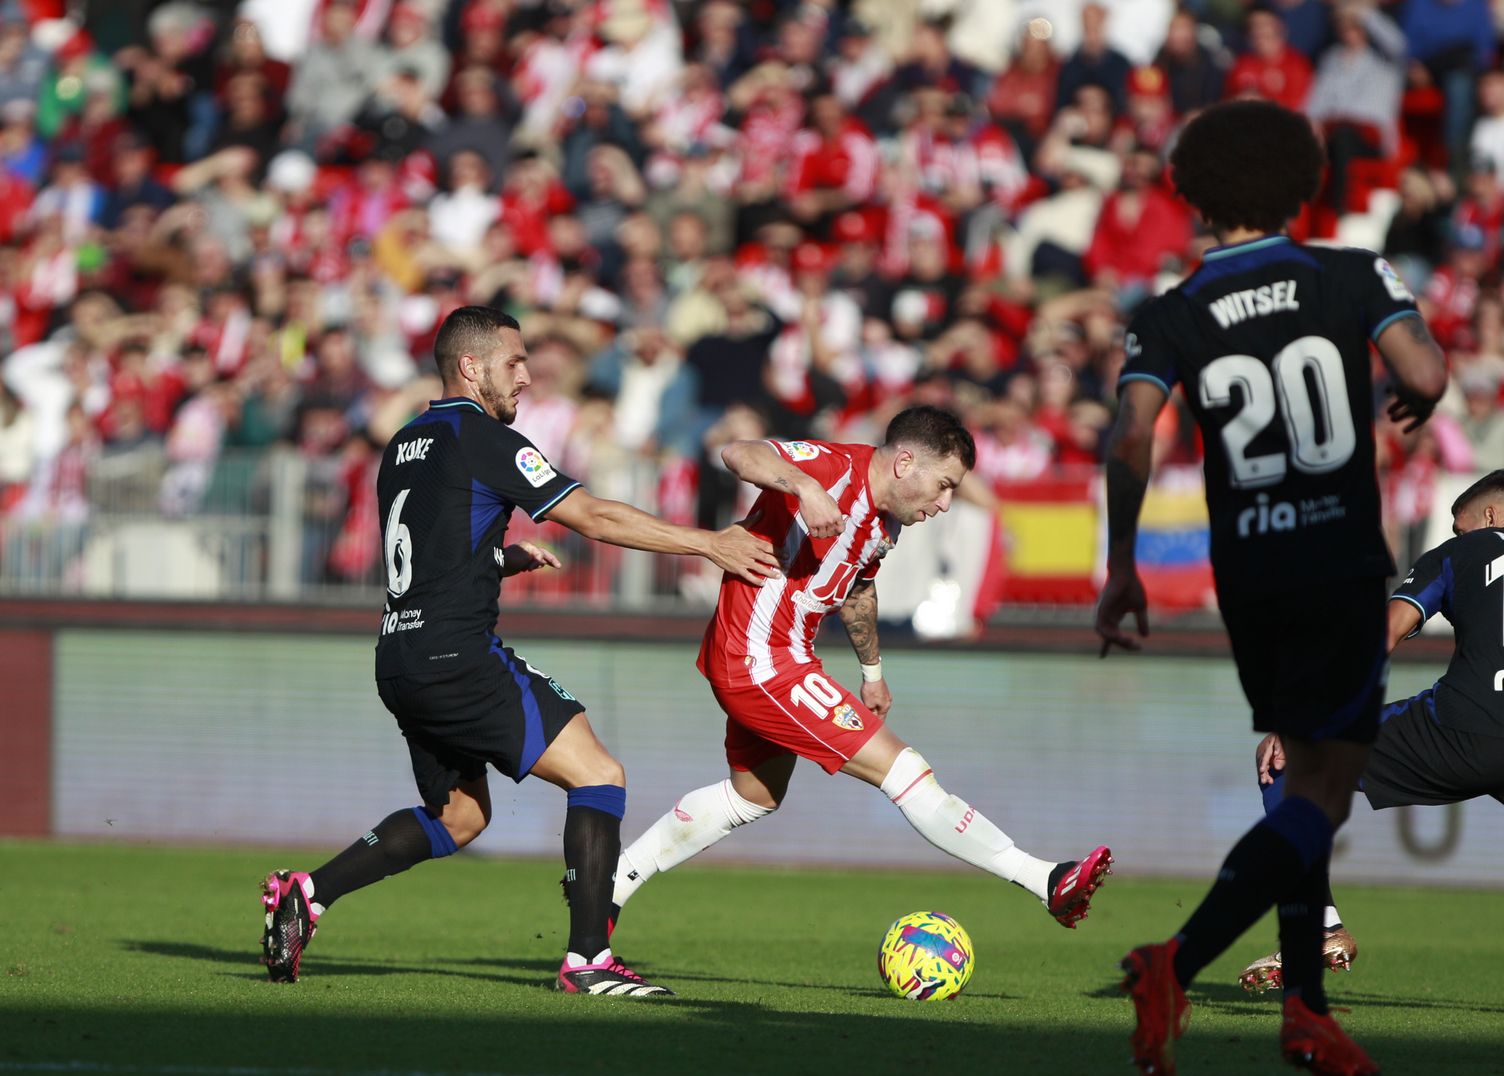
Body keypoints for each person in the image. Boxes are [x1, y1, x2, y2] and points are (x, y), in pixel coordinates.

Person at [260, 307, 780, 996]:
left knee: (462, 816)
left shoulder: (404, 442)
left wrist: (498, 560)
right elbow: (592, 515)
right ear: (471, 366)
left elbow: (425, 549)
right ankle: (588, 959)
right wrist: (711, 542)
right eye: (515, 362)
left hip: (399, 655)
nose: (528, 376)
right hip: (456, 654)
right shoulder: (487, 440)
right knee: (599, 774)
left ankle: (308, 891)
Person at [1096, 100, 1449, 1076]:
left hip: (1248, 573)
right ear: (1301, 182)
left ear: (1194, 196)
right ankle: (1175, 963)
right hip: (1338, 561)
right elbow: (1425, 366)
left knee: (1303, 786)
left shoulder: (1169, 312)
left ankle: (1305, 1011)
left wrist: (1121, 564)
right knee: (1322, 793)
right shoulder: (1346, 273)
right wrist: (1419, 393)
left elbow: (1131, 437)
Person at [605, 407, 1113, 945]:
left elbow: (857, 589)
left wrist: (872, 672)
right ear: (905, 463)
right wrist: (804, 486)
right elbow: (739, 452)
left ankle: (609, 885)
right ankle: (1047, 880)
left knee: (752, 796)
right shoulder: (832, 468)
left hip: (779, 657)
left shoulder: (887, 521)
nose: (944, 504)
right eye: (943, 486)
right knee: (906, 772)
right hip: (762, 661)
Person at [1238, 470, 1504, 990]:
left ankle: (1320, 927)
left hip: (1463, 727)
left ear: (1490, 518)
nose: (1455, 535)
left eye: (1459, 526)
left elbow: (1386, 632)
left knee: (1283, 764)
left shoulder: (1460, 554)